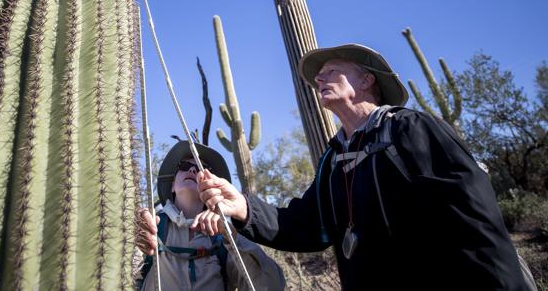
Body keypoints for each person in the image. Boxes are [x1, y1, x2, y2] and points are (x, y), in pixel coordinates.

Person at [193, 44, 530, 291]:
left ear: (367, 80)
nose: (320, 77)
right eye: (319, 76)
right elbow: (308, 226)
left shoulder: (410, 129)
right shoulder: (334, 158)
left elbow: (474, 216)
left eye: (332, 70)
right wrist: (243, 208)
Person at [135, 140, 285, 290]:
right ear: (173, 184)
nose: (193, 171)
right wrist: (128, 230)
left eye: (202, 169)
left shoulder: (224, 238)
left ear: (212, 188)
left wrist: (233, 239)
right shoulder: (152, 226)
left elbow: (271, 286)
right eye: (185, 166)